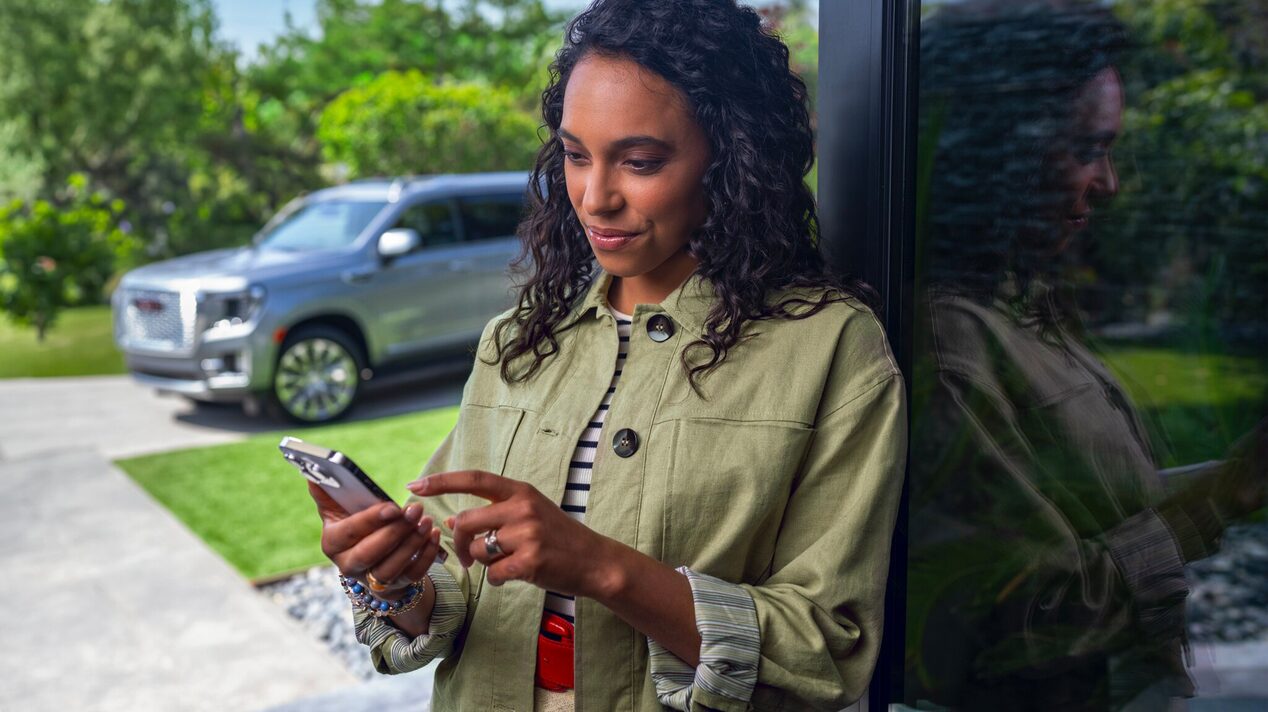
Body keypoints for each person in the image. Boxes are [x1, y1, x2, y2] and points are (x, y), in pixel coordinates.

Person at [305, 1, 908, 710]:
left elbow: (828, 649)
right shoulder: (518, 340)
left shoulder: (830, 349)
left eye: (641, 161)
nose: (595, 198)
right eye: (575, 154)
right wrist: (390, 577)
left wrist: (601, 567)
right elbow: (451, 594)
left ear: (732, 158)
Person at [905, 2, 1267, 710]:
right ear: (993, 150)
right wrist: (1223, 501)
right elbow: (1007, 619)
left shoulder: (1019, 311)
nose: (1110, 183)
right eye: (1086, 148)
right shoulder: (949, 350)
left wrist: (1236, 480)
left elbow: (1093, 509)